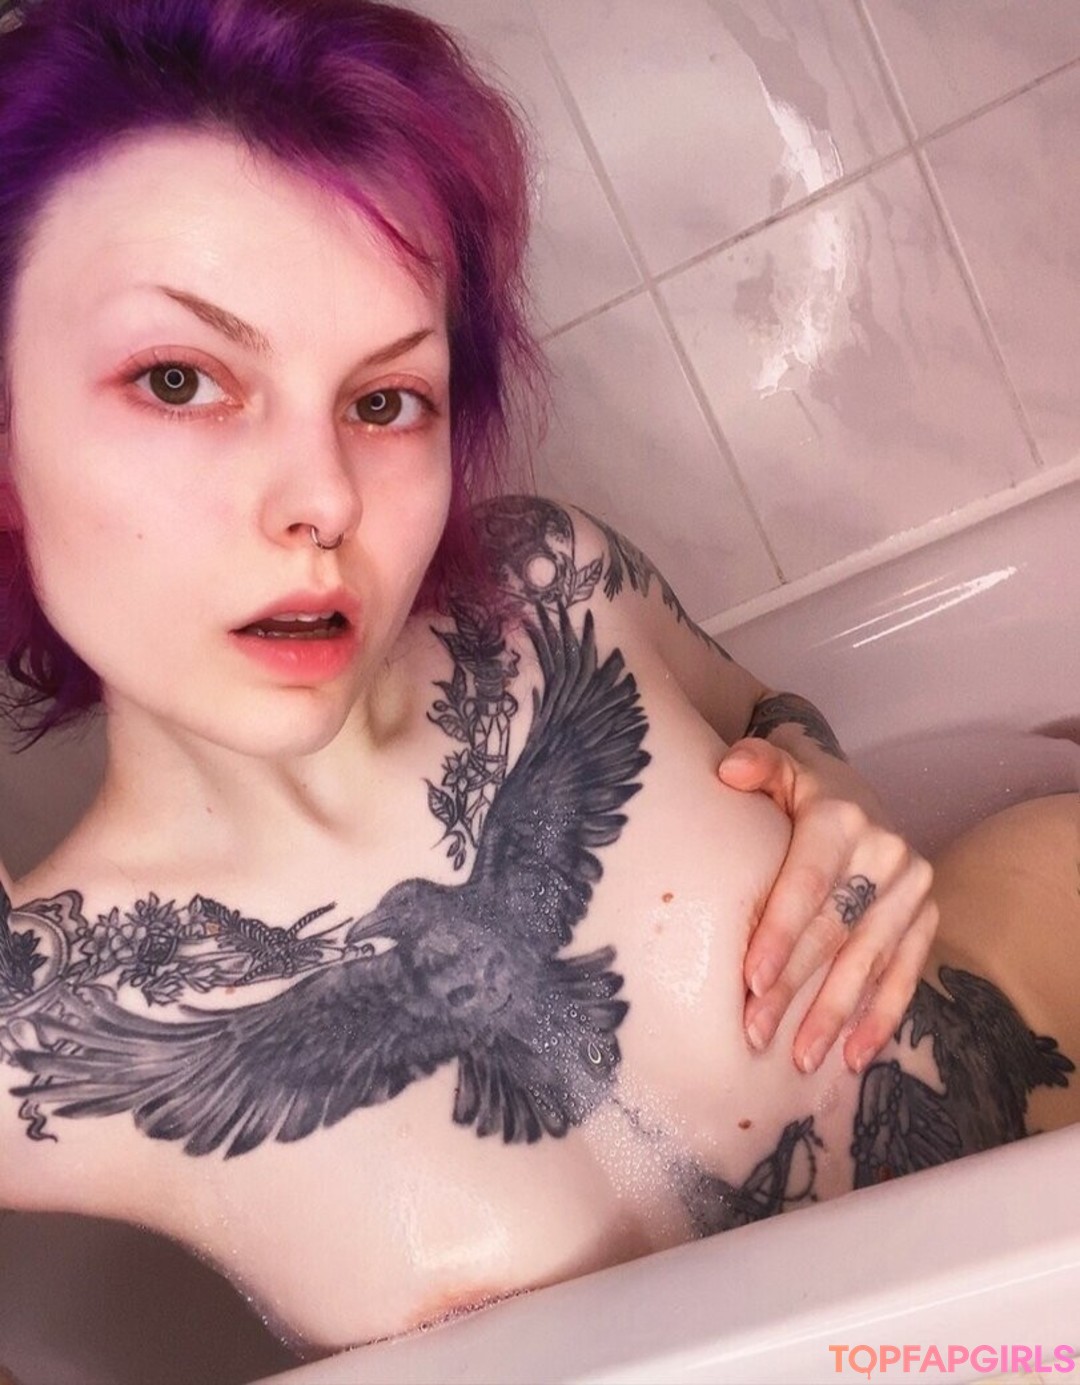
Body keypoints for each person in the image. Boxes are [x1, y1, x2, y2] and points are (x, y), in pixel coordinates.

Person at [0, 0, 1074, 1356]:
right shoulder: (39, 1032)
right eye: (177, 380)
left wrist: (832, 790)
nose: (324, 497)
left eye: (384, 400)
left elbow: (764, 712)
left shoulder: (549, 581)